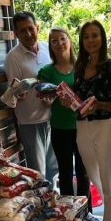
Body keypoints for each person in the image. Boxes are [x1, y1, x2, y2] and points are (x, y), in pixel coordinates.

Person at [72, 20, 111, 221]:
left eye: (95, 35)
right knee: (93, 172)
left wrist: (99, 104)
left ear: (102, 38)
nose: (91, 41)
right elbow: (78, 99)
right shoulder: (79, 67)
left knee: (107, 173)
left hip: (105, 125)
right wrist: (69, 102)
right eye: (86, 37)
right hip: (82, 124)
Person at [4, 11, 58, 184]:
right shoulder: (13, 57)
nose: (28, 34)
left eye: (30, 28)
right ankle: (44, 209)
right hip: (30, 123)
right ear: (16, 34)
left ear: (37, 27)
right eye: (22, 31)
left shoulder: (47, 49)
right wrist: (19, 92)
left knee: (55, 170)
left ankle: (57, 207)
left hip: (53, 119)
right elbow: (15, 89)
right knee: (39, 174)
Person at [37, 27, 90, 202]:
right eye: (54, 41)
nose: (59, 43)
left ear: (69, 40)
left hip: (83, 126)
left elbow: (90, 94)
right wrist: (50, 99)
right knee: (65, 173)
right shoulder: (46, 72)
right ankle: (71, 216)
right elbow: (45, 101)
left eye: (62, 39)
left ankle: (87, 214)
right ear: (50, 46)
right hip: (60, 129)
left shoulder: (83, 67)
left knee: (83, 172)